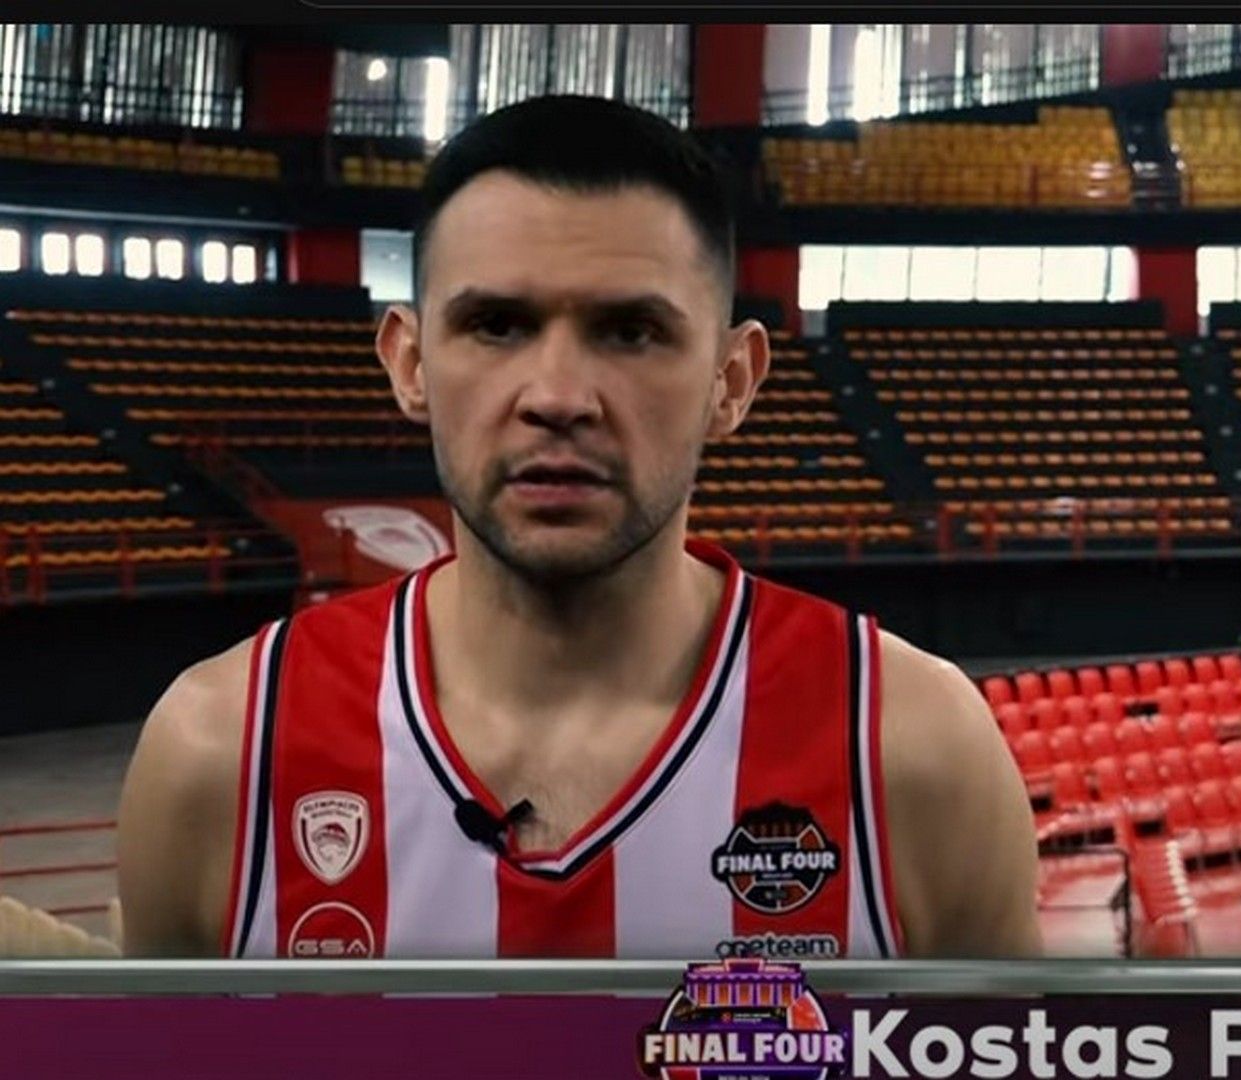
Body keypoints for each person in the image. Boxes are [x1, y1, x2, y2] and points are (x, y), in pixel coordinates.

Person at [116, 96, 1041, 960]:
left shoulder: (916, 751)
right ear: (410, 364)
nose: (558, 397)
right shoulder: (220, 752)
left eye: (631, 331)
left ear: (732, 382)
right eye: (497, 325)